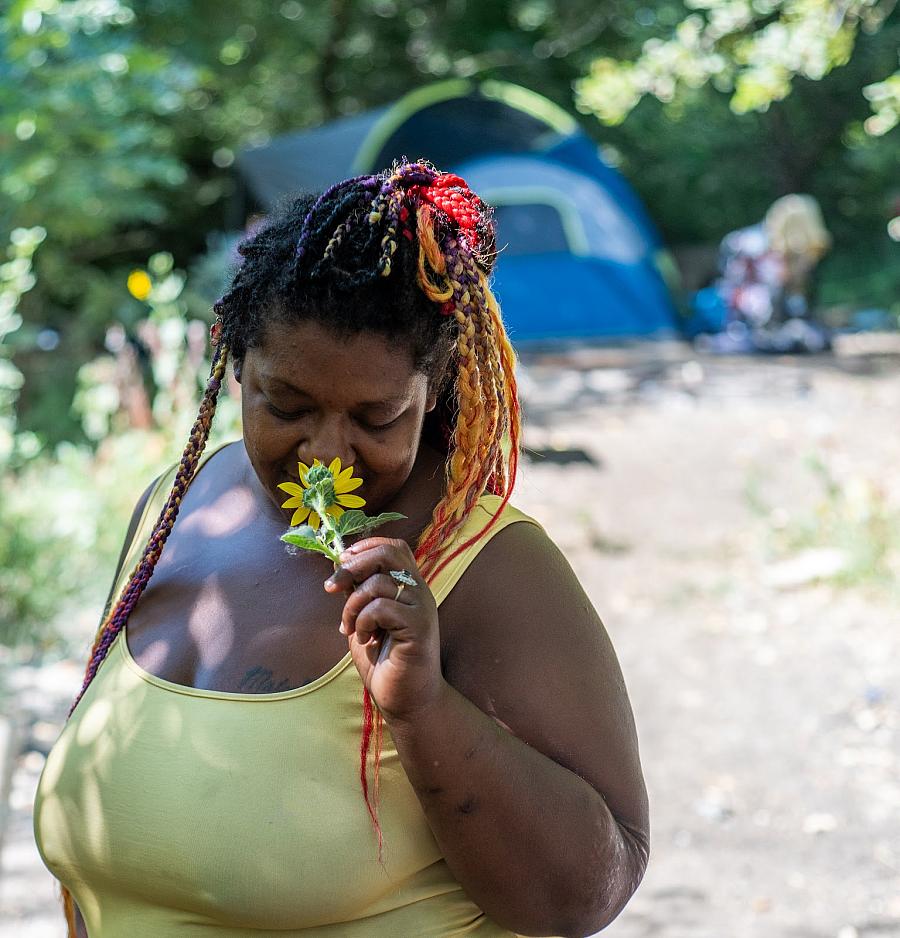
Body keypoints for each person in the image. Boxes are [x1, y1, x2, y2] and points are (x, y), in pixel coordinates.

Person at [34, 162, 649, 937]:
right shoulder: (174, 508)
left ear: (434, 387)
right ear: (236, 363)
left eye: (376, 418)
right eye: (287, 406)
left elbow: (585, 894)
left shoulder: (491, 566)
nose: (326, 454)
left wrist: (422, 710)